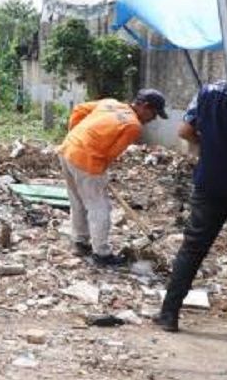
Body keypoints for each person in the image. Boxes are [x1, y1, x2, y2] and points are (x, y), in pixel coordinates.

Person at [154, 81, 227, 332]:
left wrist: (208, 148)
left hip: (211, 179)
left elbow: (185, 130)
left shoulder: (208, 91)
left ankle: (169, 314)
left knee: (193, 248)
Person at [59, 89, 167, 268]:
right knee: (99, 206)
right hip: (87, 160)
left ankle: (80, 242)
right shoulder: (133, 126)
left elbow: (79, 110)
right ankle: (101, 254)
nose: (153, 118)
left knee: (77, 200)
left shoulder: (110, 103)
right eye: (154, 113)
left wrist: (74, 135)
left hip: (67, 149)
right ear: (144, 107)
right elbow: (110, 154)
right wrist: (100, 175)